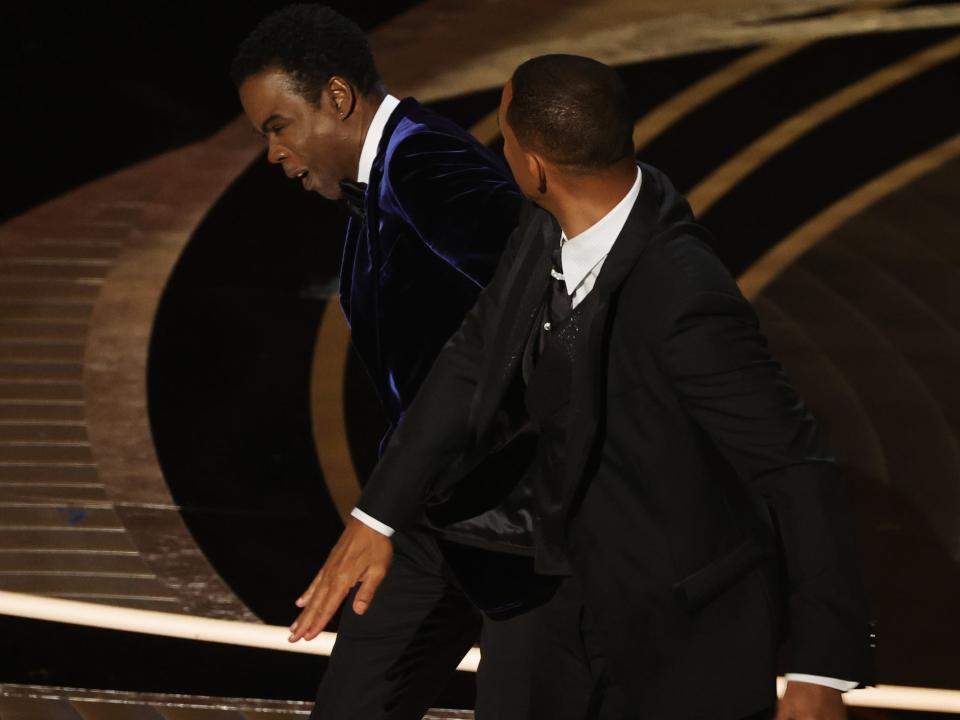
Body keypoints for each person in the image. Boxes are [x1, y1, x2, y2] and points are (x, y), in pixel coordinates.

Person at [290, 55, 876, 720]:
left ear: (535, 164)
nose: (498, 152)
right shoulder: (546, 224)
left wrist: (820, 669)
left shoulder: (684, 296)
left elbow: (796, 467)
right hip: (551, 600)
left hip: (668, 631)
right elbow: (471, 356)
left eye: (505, 139)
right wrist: (378, 515)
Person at [231, 5, 542, 720]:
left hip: (523, 527)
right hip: (430, 518)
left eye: (277, 127)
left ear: (337, 98)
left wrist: (379, 515)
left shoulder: (432, 165)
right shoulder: (387, 179)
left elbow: (534, 312)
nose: (273, 153)